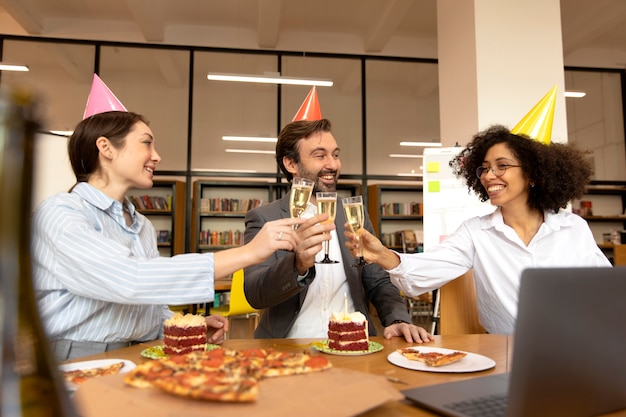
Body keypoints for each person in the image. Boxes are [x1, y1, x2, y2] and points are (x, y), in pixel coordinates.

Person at [32, 110, 312, 361]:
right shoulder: (61, 214)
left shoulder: (140, 224)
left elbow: (148, 305)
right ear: (105, 147)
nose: (156, 156)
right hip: (77, 360)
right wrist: (248, 252)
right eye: (146, 142)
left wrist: (184, 327)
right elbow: (130, 279)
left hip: (139, 353)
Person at [344, 125, 612, 335]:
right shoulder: (476, 233)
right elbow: (425, 271)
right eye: (484, 168)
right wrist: (382, 255)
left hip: (573, 347)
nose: (488, 175)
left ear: (533, 175)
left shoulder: (572, 227)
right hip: (507, 354)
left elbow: (605, 291)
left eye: (502, 166)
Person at [243, 116, 434, 343]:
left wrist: (397, 319)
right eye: (320, 155)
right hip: (288, 347)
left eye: (335, 154)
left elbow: (379, 281)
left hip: (353, 344)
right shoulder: (265, 217)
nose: (333, 165)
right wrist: (297, 265)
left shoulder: (353, 213)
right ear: (291, 164)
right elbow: (255, 293)